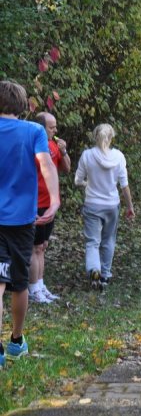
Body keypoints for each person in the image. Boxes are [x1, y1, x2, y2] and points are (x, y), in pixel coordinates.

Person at [0, 80, 60, 367]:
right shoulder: (33, 131)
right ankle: (15, 341)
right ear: (22, 105)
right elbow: (46, 164)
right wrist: (55, 200)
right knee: (19, 284)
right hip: (23, 221)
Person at [75, 124, 135, 290]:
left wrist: (88, 183)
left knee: (93, 242)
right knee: (109, 240)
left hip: (92, 204)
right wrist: (130, 206)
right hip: (111, 205)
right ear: (111, 138)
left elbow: (77, 180)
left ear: (95, 137)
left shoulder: (87, 155)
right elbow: (124, 186)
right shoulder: (119, 157)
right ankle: (105, 275)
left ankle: (94, 269)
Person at [28, 112, 71, 304]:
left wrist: (63, 151)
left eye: (55, 126)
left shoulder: (54, 144)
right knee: (34, 247)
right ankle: (32, 289)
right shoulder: (32, 145)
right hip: (35, 202)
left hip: (50, 203)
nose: (55, 130)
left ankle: (40, 284)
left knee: (43, 246)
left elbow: (67, 169)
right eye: (51, 127)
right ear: (40, 127)